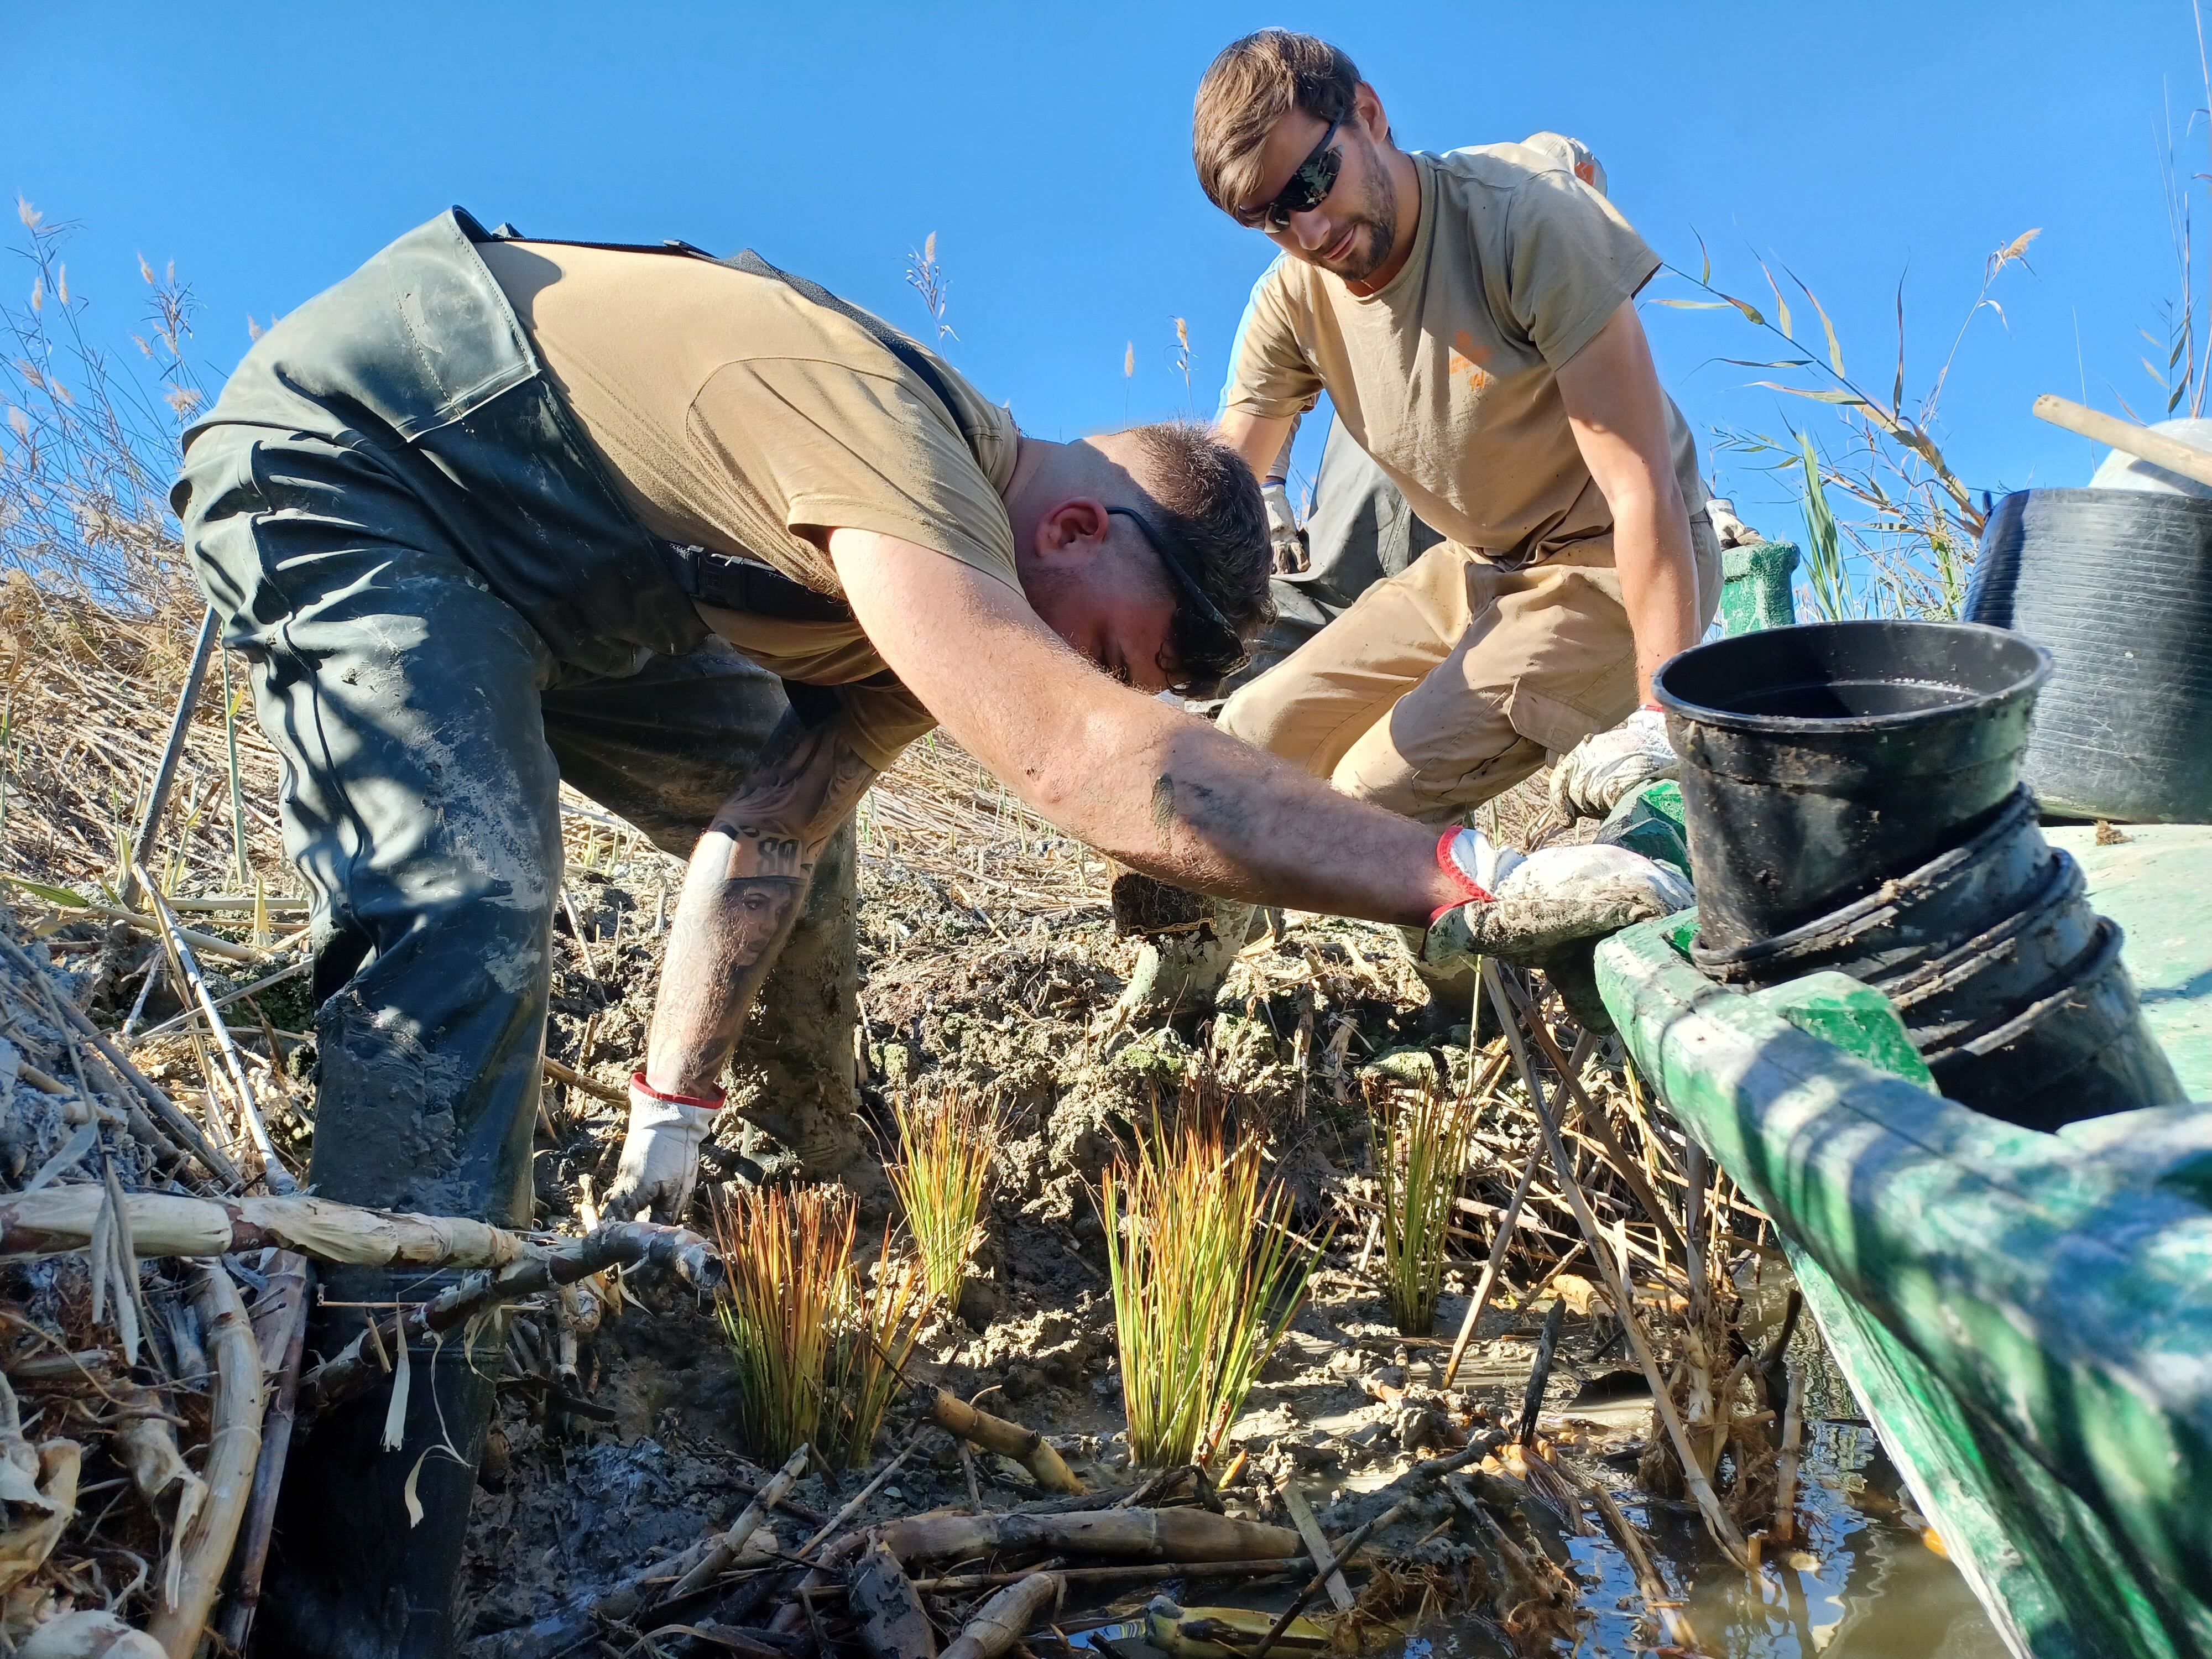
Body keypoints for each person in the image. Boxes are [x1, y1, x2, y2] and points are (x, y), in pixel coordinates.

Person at [174, 206, 1687, 1657]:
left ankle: (770, 1186)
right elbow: (1097, 766)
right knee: (468, 920)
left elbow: (764, 830)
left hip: (581, 586)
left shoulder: (917, 586)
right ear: (1080, 524)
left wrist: (669, 1118)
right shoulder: (891, 443)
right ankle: (361, 1599)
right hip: (374, 464)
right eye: (1110, 651)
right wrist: (1465, 875)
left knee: (808, 857)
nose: (1092, 679)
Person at [1121, 33, 1724, 1014]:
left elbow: (1642, 487)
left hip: (1608, 571)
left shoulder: (1524, 221)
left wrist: (1667, 715)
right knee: (1244, 742)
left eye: (1314, 182)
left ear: (1367, 113)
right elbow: (1223, 490)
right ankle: (1177, 994)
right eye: (1271, 217)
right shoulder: (1293, 296)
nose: (1310, 231)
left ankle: (1476, 1010)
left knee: (1369, 798)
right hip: (1476, 569)